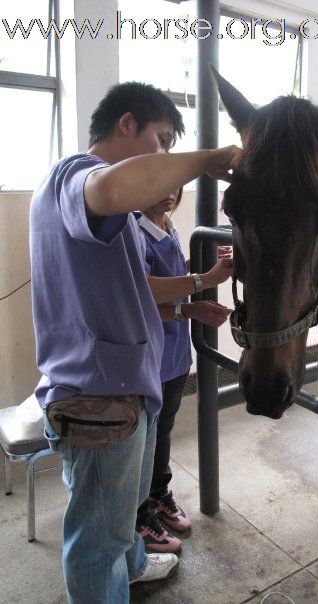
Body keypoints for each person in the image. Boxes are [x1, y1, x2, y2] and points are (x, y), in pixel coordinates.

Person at [29, 81, 238, 604]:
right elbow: (114, 189)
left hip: (123, 387)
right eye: (162, 140)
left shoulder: (113, 217)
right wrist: (207, 157)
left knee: (120, 516)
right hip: (99, 396)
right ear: (126, 124)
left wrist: (189, 299)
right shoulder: (73, 177)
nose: (166, 155)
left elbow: (131, 293)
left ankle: (134, 565)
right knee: (98, 538)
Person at [135, 189, 232, 553]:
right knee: (145, 441)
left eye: (175, 186)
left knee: (162, 432)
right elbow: (141, 298)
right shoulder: (134, 231)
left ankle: (158, 494)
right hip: (149, 358)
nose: (170, 194)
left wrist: (214, 268)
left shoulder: (167, 226)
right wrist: (200, 290)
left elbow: (174, 275)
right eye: (160, 185)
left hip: (174, 355)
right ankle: (140, 514)